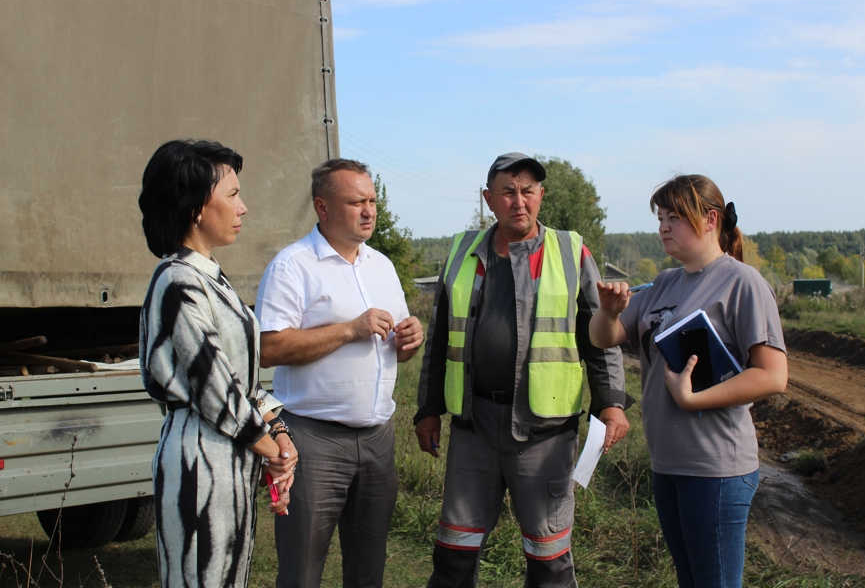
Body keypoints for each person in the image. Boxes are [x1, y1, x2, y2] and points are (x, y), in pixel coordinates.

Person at [414, 152, 633, 588]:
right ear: (488, 199)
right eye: (508, 192)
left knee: (548, 557)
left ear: (541, 196)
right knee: (454, 552)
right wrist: (427, 409)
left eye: (528, 191)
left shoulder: (570, 251)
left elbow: (599, 335)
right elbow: (440, 337)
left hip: (544, 434)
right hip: (474, 426)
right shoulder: (461, 251)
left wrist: (611, 403)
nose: (520, 201)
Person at [589, 174, 789, 588]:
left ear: (711, 219)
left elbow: (773, 376)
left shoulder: (742, 283)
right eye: (660, 217)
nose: (663, 226)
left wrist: (693, 399)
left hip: (717, 467)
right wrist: (608, 311)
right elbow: (603, 338)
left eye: (675, 217)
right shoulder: (663, 283)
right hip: (668, 464)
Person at [254, 158, 424, 588]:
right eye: (355, 202)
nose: (368, 211)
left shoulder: (381, 267)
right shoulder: (292, 265)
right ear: (322, 207)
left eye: (372, 200)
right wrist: (350, 329)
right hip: (312, 438)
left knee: (369, 569)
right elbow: (269, 348)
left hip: (377, 439)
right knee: (302, 569)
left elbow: (394, 350)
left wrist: (409, 340)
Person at [138, 139, 299, 588]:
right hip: (200, 459)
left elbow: (243, 380)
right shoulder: (177, 280)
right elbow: (215, 388)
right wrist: (274, 452)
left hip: (232, 455)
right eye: (232, 195)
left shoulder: (211, 277)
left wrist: (280, 436)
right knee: (202, 577)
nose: (243, 208)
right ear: (194, 208)